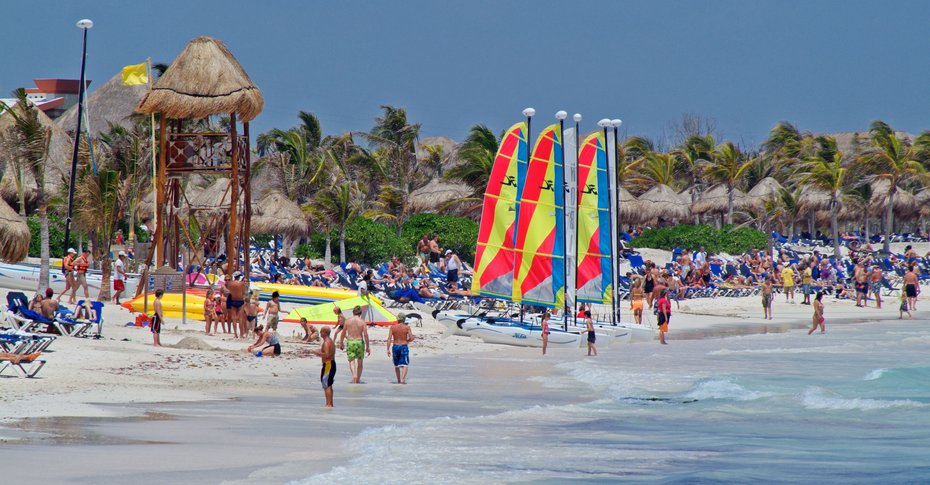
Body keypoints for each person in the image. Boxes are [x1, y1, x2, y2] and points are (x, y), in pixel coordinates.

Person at [338, 306, 370, 384]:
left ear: (353, 312)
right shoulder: (362, 322)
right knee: (360, 362)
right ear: (360, 313)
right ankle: (358, 379)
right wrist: (368, 347)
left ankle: (354, 376)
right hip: (359, 342)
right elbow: (365, 335)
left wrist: (341, 343)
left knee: (351, 361)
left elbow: (343, 333)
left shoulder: (348, 321)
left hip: (350, 342)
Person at [311, 326, 336, 407]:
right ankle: (330, 403)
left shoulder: (326, 342)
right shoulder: (330, 341)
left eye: (321, 331)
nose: (320, 333)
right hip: (331, 364)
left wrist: (316, 353)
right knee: (329, 384)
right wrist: (317, 351)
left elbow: (327, 355)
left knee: (326, 384)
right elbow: (325, 351)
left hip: (328, 364)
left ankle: (328, 404)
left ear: (325, 332)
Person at [386, 313, 415, 383]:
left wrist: (388, 349)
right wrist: (407, 341)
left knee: (396, 365)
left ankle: (398, 380)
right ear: (404, 319)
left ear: (397, 319)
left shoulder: (393, 327)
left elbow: (389, 339)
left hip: (395, 346)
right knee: (405, 364)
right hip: (403, 346)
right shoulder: (407, 327)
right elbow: (412, 338)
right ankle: (403, 379)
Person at [226, 272, 248, 338]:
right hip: (240, 301)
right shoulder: (241, 284)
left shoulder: (230, 284)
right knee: (241, 318)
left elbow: (229, 291)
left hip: (233, 300)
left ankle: (235, 334)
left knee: (234, 318)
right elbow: (244, 293)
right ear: (239, 277)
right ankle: (241, 334)